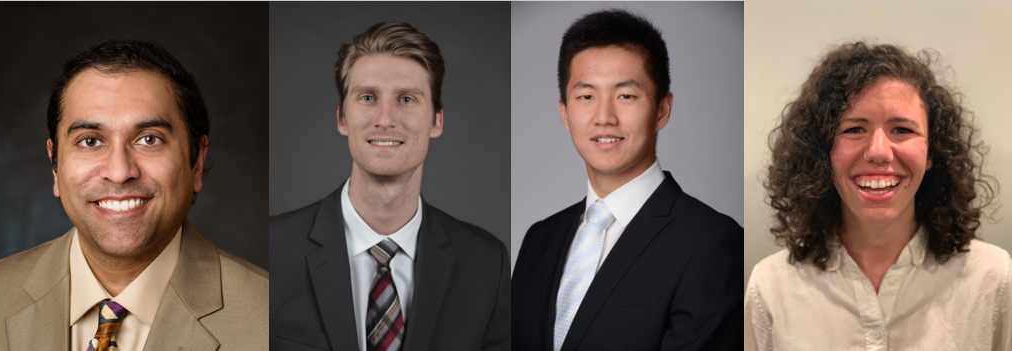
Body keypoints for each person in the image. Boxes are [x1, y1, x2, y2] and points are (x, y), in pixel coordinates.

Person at [0, 39, 269, 351]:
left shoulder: (269, 317)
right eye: (90, 141)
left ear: (198, 161)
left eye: (149, 139)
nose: (120, 172)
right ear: (55, 165)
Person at [744, 42, 1011, 350]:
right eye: (854, 129)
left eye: (902, 130)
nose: (879, 152)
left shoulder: (993, 279)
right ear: (823, 153)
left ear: (932, 152)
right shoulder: (770, 288)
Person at [268, 21, 510, 351]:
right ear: (342, 118)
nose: (385, 118)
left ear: (436, 121)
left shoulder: (486, 264)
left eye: (407, 99)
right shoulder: (271, 251)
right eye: (367, 97)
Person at [511, 9, 742, 351]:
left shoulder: (714, 244)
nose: (604, 118)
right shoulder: (539, 240)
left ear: (662, 109)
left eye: (626, 96)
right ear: (564, 112)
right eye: (586, 96)